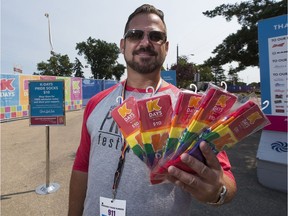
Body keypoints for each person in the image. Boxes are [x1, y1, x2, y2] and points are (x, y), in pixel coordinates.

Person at [68, 4, 237, 216]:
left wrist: (217, 192)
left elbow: (227, 182)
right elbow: (82, 167)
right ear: (123, 44)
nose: (145, 42)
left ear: (165, 47)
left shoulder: (192, 109)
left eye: (155, 36)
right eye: (135, 35)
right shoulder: (96, 103)